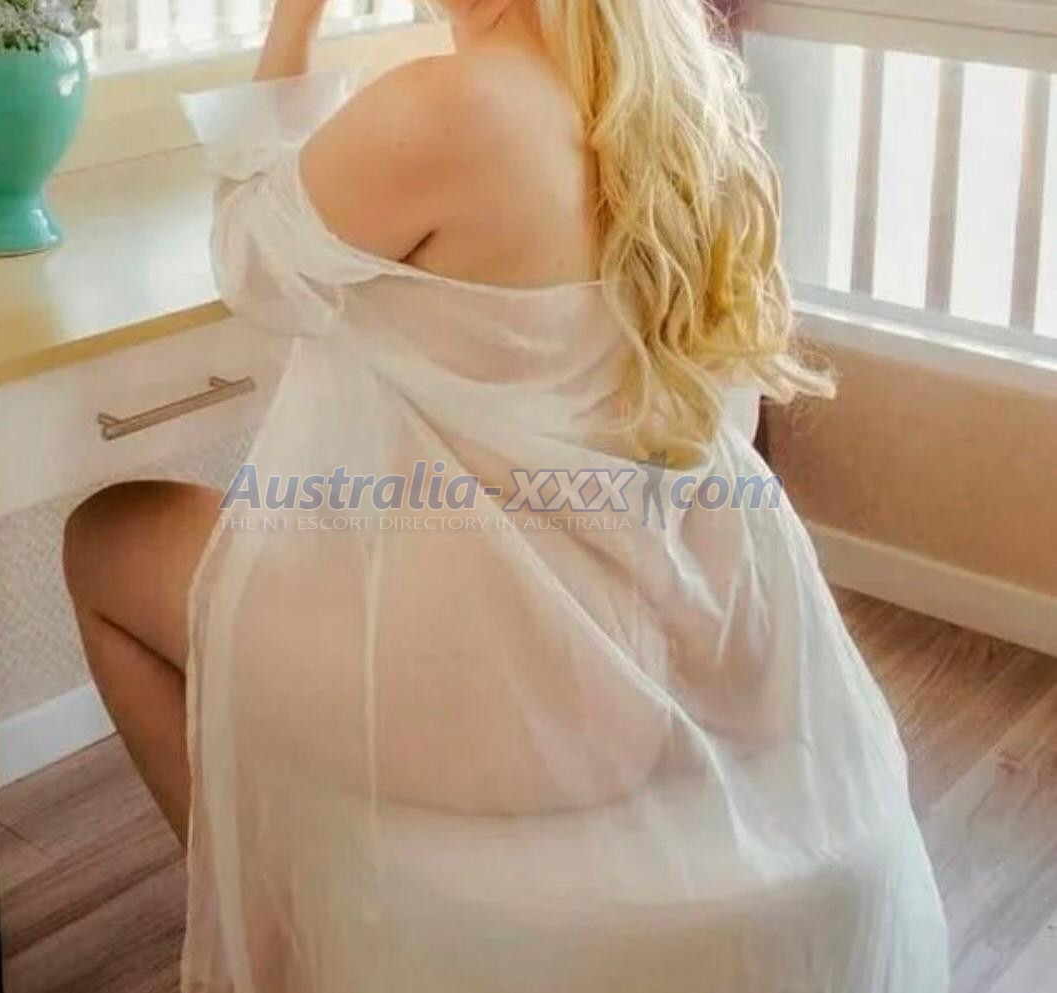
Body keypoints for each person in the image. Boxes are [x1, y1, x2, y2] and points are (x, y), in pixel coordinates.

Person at [63, 1, 949, 990]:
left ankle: (262, 928)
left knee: (104, 536)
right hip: (683, 655)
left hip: (498, 709)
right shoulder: (679, 91)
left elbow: (249, 261)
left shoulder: (445, 108)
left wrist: (294, 22)